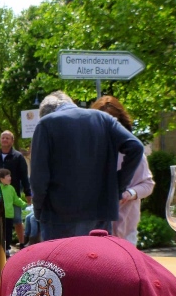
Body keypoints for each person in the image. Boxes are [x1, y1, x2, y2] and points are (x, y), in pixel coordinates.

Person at [30, 91, 144, 241]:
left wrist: (38, 210)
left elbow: (39, 177)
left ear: (45, 112)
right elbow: (136, 147)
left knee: (63, 257)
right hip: (100, 213)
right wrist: (118, 187)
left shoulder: (46, 124)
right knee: (96, 256)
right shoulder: (103, 119)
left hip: (59, 216)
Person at [91, 96, 155, 245]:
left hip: (124, 230)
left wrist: (129, 193)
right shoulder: (89, 152)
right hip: (93, 231)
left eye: (114, 122)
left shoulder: (134, 153)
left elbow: (147, 184)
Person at [0, 130, 32, 247]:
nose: (4, 140)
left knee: (17, 220)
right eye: (3, 137)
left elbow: (24, 176)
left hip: (13, 194)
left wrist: (28, 193)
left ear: (12, 141)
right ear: (0, 140)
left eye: (7, 138)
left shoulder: (18, 157)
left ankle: (22, 243)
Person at [0, 168, 28, 258]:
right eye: (8, 176)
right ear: (1, 179)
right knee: (0, 233)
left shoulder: (11, 188)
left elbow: (16, 200)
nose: (10, 178)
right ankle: (0, 249)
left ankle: (6, 248)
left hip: (9, 215)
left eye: (10, 176)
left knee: (8, 234)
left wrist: (24, 204)